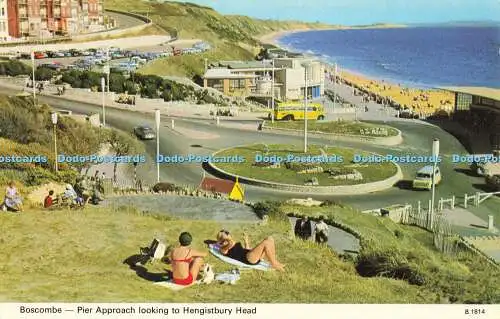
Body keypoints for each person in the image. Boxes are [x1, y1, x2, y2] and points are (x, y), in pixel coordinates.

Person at [216, 230, 285, 271]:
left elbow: (245, 249)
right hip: (248, 259)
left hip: (250, 254)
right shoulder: (223, 249)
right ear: (222, 241)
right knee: (266, 243)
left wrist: (246, 241)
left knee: (269, 238)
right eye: (225, 239)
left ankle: (275, 261)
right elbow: (230, 243)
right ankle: (273, 264)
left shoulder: (230, 243)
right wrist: (228, 239)